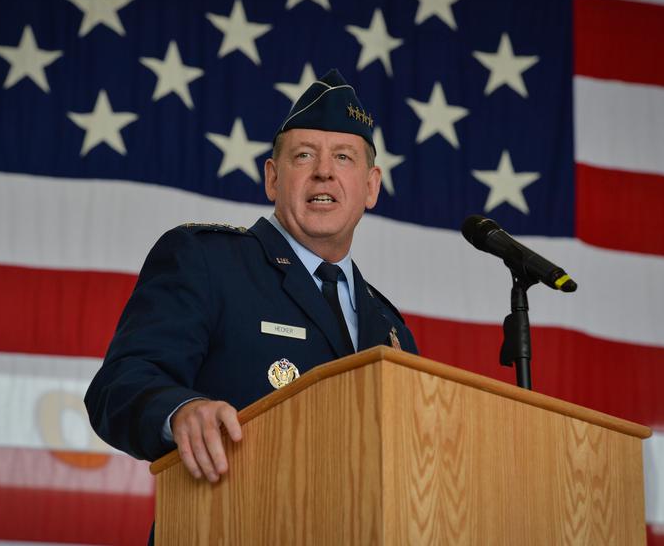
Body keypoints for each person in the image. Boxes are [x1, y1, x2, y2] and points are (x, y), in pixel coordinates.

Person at [84, 69, 418, 485]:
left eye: (344, 157)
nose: (324, 172)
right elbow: (119, 386)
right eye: (304, 155)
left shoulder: (391, 328)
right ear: (272, 179)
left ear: (371, 186)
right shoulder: (206, 261)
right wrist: (180, 411)